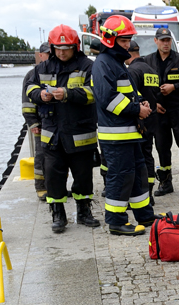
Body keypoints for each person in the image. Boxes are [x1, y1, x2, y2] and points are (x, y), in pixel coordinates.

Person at [25, 25, 100, 233]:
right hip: (52, 135)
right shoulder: (42, 67)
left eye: (66, 48)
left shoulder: (88, 66)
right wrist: (41, 95)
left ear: (75, 46)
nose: (62, 52)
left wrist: (67, 93)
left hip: (80, 134)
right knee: (54, 178)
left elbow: (94, 93)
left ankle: (84, 212)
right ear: (52, 47)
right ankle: (58, 215)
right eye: (58, 48)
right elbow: (29, 88)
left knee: (83, 177)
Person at [92, 15, 154, 236]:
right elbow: (108, 99)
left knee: (138, 173)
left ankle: (144, 216)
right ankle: (116, 222)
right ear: (110, 39)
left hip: (129, 134)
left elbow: (128, 91)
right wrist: (137, 110)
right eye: (123, 41)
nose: (127, 45)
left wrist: (140, 102)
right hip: (116, 137)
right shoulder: (103, 64)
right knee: (120, 177)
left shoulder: (115, 62)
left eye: (129, 40)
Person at [144, 28, 179, 198]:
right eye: (162, 40)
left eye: (168, 40)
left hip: (178, 111)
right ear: (156, 41)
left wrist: (174, 86)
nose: (166, 43)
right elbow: (144, 87)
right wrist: (154, 104)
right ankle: (165, 182)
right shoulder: (148, 61)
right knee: (162, 147)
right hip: (159, 112)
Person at [125, 40, 161, 203]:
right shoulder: (151, 70)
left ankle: (141, 193)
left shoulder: (132, 71)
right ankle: (150, 192)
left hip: (139, 120)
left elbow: (131, 95)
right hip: (152, 118)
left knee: (138, 157)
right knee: (148, 155)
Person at [22, 42, 50, 201]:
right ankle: (41, 187)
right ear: (41, 55)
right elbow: (26, 102)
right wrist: (32, 123)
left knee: (57, 157)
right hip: (40, 122)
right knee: (41, 155)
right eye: (47, 54)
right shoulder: (32, 74)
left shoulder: (56, 71)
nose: (50, 56)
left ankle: (55, 187)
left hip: (54, 122)